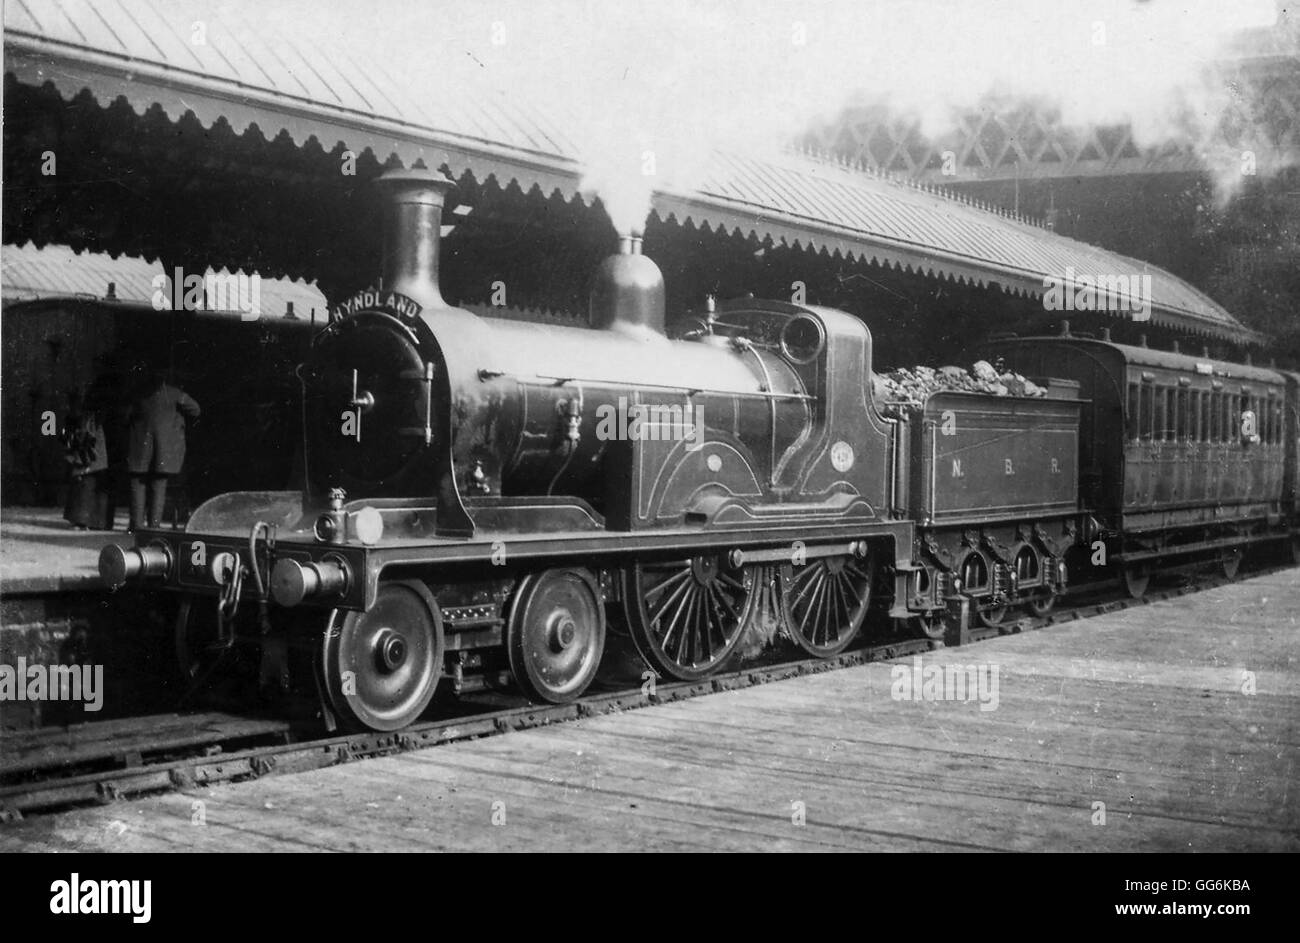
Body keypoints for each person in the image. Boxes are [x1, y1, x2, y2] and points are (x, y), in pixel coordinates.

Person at [126, 368, 200, 531]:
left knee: (138, 487)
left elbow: (126, 415)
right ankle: (154, 526)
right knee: (158, 488)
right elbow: (196, 409)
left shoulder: (138, 395)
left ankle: (136, 525)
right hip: (163, 452)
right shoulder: (175, 394)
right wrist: (177, 420)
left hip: (140, 449)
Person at [61, 390, 110, 529]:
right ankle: (96, 522)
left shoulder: (85, 418)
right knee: (90, 491)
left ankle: (82, 522)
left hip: (88, 458)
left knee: (84, 492)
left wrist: (76, 459)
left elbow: (83, 440)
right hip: (96, 458)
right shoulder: (92, 417)